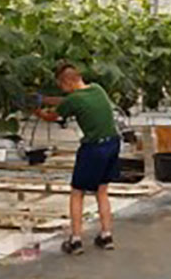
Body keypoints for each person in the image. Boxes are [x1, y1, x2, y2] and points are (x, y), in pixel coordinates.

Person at [34, 62, 121, 255]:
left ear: (68, 82)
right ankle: (106, 236)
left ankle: (75, 240)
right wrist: (47, 99)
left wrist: (38, 111)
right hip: (113, 143)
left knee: (77, 192)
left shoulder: (73, 100)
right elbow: (67, 100)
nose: (62, 90)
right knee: (102, 190)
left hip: (94, 148)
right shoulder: (96, 89)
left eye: (62, 86)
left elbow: (52, 116)